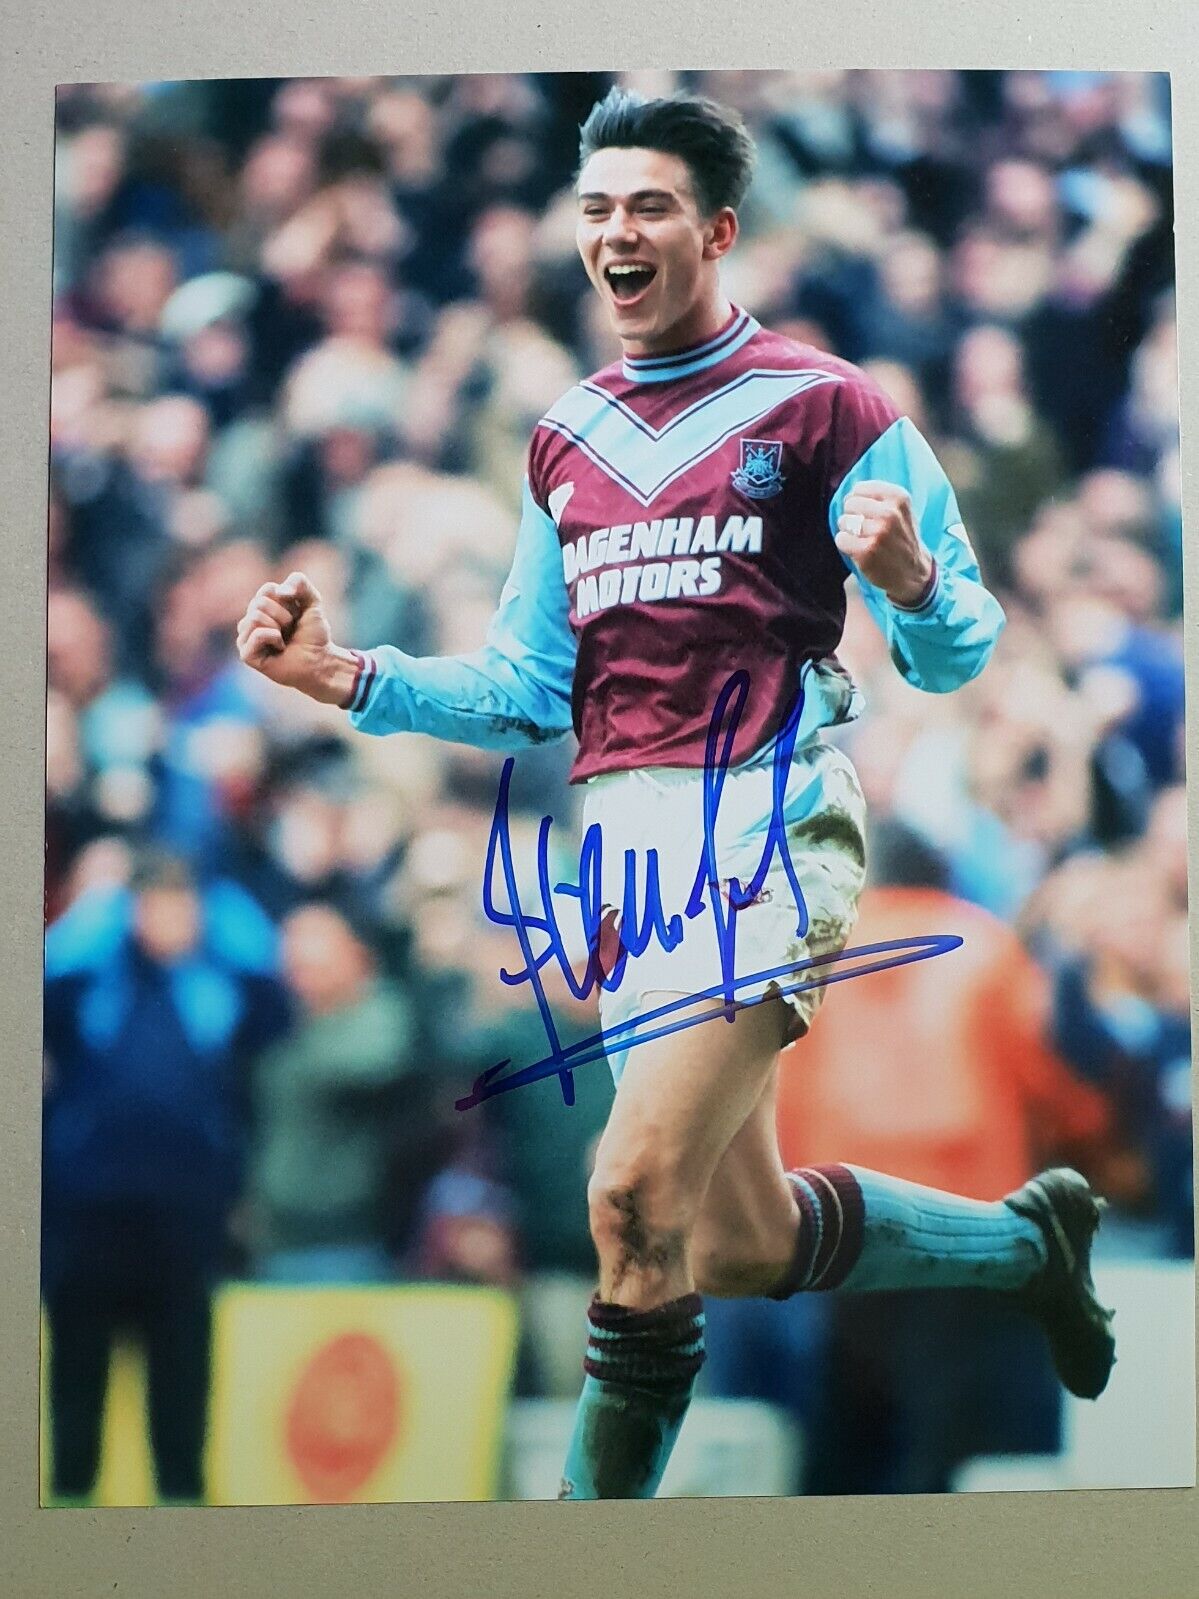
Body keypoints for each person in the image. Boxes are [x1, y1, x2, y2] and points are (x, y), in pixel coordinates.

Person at [235, 87, 1116, 1502]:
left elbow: (965, 647)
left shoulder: (827, 405)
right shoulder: (560, 439)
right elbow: (528, 687)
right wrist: (349, 675)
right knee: (732, 1244)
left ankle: (590, 1543)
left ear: (714, 229)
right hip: (628, 858)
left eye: (644, 205)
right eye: (593, 210)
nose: (613, 231)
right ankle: (1025, 1248)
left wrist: (907, 586)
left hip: (768, 828)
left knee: (626, 1197)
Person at [42, 850, 288, 1504]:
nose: (172, 919)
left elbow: (277, 1007)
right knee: (75, 1397)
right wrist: (93, 911)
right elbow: (36, 989)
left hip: (184, 1225)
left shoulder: (212, 989)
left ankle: (182, 1536)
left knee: (180, 1405)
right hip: (87, 1221)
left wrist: (231, 909)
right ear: (133, 910)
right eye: (156, 903)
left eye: (185, 905)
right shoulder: (93, 984)